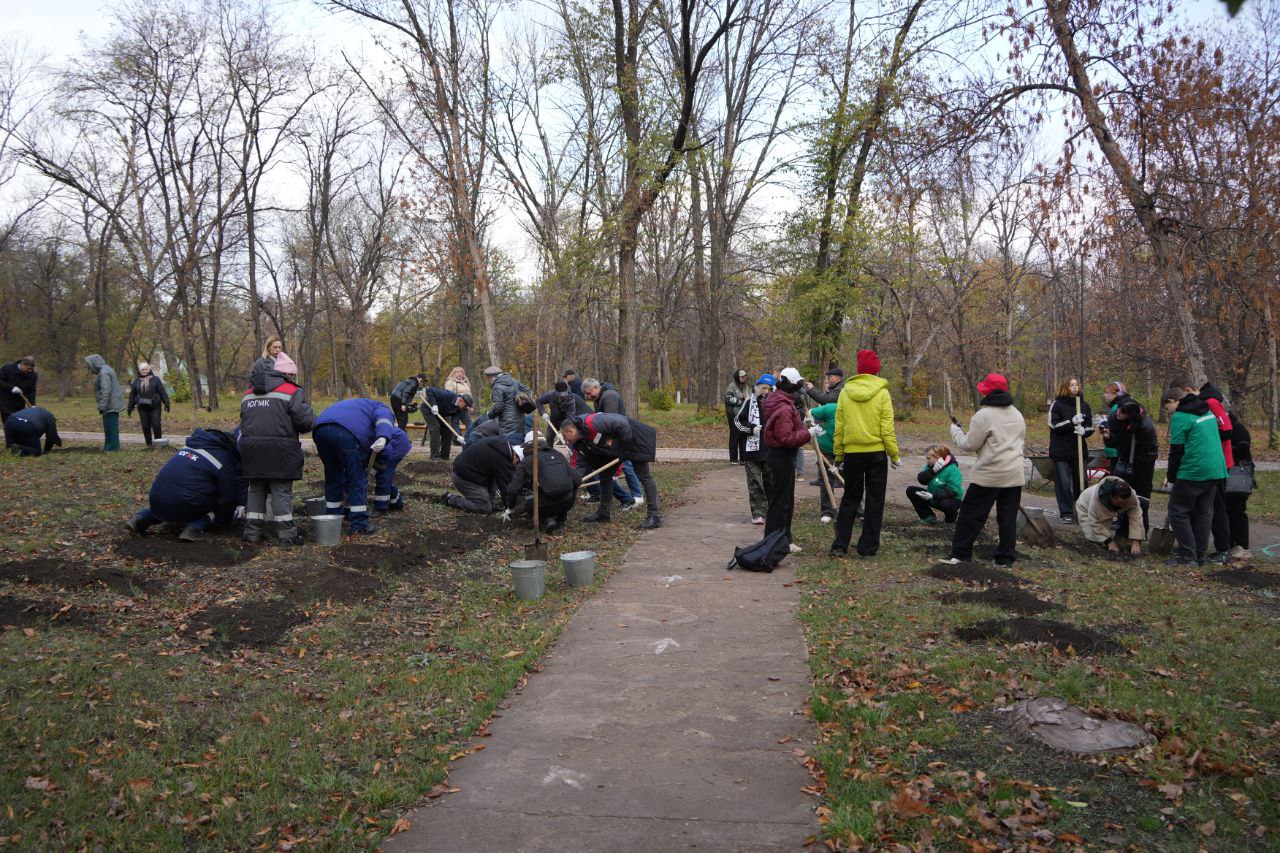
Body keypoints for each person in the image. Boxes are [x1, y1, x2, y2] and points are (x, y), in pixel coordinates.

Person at [939, 373, 1026, 566]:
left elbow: (969, 445)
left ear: (987, 392)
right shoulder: (1016, 413)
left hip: (989, 474)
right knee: (1007, 519)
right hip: (1014, 474)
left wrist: (956, 432)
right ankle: (1005, 559)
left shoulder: (982, 416)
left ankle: (960, 554)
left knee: (970, 515)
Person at [827, 350, 900, 558]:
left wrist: (839, 455)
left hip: (852, 453)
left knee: (850, 497)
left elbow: (840, 426)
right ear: (876, 370)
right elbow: (887, 428)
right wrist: (894, 455)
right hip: (876, 453)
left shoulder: (845, 392)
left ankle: (840, 545)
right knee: (875, 500)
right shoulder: (882, 393)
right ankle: (868, 547)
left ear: (859, 370)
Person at [239, 352, 315, 545]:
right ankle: (287, 536)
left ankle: (252, 534)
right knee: (281, 492)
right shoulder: (291, 391)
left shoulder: (247, 394)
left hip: (251, 449)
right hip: (281, 450)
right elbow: (305, 422)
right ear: (286, 374)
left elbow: (244, 421)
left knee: (255, 490)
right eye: (293, 375)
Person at [125, 428, 245, 541]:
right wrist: (222, 522)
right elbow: (227, 497)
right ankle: (194, 528)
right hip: (186, 504)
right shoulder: (225, 460)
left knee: (159, 511)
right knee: (210, 501)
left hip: (156, 498)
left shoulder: (191, 446)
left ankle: (141, 518)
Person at [312, 397, 404, 535]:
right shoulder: (380, 406)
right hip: (346, 433)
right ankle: (359, 525)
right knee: (356, 479)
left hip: (320, 431)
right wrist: (383, 436)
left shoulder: (350, 405)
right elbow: (384, 418)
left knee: (333, 477)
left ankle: (333, 519)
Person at [1162, 385, 1227, 567]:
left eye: (1167, 408)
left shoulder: (1180, 416)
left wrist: (1171, 476)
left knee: (1178, 512)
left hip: (1194, 470)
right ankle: (1199, 553)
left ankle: (1187, 555)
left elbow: (1176, 450)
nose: (1168, 412)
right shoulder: (1205, 409)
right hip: (1215, 469)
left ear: (1173, 401)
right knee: (1203, 512)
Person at [561, 411, 661, 529]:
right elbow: (580, 468)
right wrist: (572, 481)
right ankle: (603, 513)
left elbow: (622, 424)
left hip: (633, 440)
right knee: (605, 476)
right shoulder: (580, 443)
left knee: (644, 476)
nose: (565, 441)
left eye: (564, 436)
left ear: (570, 431)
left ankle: (654, 516)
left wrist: (626, 449)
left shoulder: (593, 422)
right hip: (614, 450)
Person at [761, 367, 822, 549]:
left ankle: (784, 540)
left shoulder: (781, 401)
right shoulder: (784, 407)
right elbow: (786, 438)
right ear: (793, 385)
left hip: (780, 456)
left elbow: (785, 428)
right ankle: (775, 542)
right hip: (781, 456)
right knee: (781, 502)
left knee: (785, 500)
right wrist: (808, 433)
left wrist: (802, 425)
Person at [581, 377, 644, 506]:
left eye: (589, 393)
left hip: (620, 435)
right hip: (614, 435)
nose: (588, 397)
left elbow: (611, 420)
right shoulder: (600, 397)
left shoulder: (609, 395)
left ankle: (637, 495)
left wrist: (608, 441)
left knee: (626, 464)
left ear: (595, 387)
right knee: (615, 466)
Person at [504, 431, 581, 533]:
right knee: (563, 490)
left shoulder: (527, 461)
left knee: (528, 504)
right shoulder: (558, 454)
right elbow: (577, 480)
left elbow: (514, 488)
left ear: (527, 445)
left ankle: (546, 520)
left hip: (545, 505)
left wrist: (510, 506)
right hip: (568, 502)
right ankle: (561, 521)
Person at [1100, 399, 1158, 530]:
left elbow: (1126, 443)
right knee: (1122, 492)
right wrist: (1109, 437)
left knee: (1140, 497)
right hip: (1127, 460)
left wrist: (1131, 468)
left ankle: (1140, 528)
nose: (1117, 413)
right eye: (1118, 410)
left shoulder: (1144, 427)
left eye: (1121, 412)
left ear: (1130, 415)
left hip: (1143, 463)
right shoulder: (1122, 420)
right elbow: (1119, 442)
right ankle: (1123, 524)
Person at [1198, 381, 1238, 563]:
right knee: (1211, 505)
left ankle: (1223, 548)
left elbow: (1227, 431)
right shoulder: (1208, 402)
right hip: (1214, 460)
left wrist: (1207, 435)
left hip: (1219, 461)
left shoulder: (1212, 403)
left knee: (1217, 506)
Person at [1047, 377, 1094, 524]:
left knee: (1082, 481)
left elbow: (1090, 425)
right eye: (1071, 385)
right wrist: (1071, 422)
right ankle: (1066, 512)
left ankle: (1080, 510)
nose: (1074, 387)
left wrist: (1084, 431)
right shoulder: (1057, 404)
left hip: (1078, 450)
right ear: (1065, 388)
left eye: (1076, 385)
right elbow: (1053, 424)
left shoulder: (1084, 405)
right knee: (1064, 483)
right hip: (1061, 450)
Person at [442, 435, 521, 513]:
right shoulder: (502, 460)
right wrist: (510, 507)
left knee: (489, 499)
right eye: (518, 462)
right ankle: (450, 499)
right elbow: (505, 485)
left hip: (473, 472)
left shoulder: (501, 446)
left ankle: (485, 500)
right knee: (484, 507)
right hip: (464, 477)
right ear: (516, 456)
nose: (516, 465)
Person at [734, 373, 774, 524]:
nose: (766, 392)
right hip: (752, 451)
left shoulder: (775, 403)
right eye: (764, 388)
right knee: (755, 482)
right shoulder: (749, 401)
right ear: (758, 387)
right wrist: (751, 429)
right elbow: (738, 421)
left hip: (770, 450)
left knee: (771, 482)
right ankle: (758, 513)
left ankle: (771, 511)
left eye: (769, 389)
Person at [1074, 476, 1144, 557]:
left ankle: (1122, 538)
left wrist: (1136, 541)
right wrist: (1109, 542)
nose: (1123, 506)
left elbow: (1136, 516)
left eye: (1125, 503)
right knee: (1094, 538)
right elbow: (1095, 522)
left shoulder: (1131, 496)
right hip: (1084, 506)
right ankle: (1098, 542)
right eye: (1120, 503)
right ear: (1111, 496)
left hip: (1108, 506)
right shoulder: (1097, 501)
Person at [907, 444, 963, 524]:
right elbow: (921, 480)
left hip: (950, 500)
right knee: (911, 490)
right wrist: (932, 471)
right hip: (933, 496)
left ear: (938, 457)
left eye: (928, 458)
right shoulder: (931, 466)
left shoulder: (953, 470)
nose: (927, 461)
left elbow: (953, 491)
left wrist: (932, 496)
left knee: (945, 504)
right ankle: (928, 517)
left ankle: (951, 519)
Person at [85, 354, 125, 452]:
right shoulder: (106, 369)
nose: (89, 368)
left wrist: (102, 405)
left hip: (110, 405)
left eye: (90, 365)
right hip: (111, 404)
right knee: (109, 428)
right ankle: (109, 447)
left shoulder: (104, 373)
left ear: (95, 364)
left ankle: (112, 449)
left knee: (111, 428)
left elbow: (105, 390)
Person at [421, 386, 473, 459]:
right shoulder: (448, 395)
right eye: (466, 405)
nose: (466, 408)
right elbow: (429, 390)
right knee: (435, 428)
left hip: (439, 413)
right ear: (461, 400)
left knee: (448, 431)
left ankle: (444, 455)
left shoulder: (459, 409)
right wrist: (434, 405)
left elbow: (454, 424)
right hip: (428, 408)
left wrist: (458, 436)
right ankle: (434, 456)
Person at [127, 361, 171, 447]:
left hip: (155, 406)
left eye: (146, 369)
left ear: (149, 369)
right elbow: (132, 395)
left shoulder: (155, 379)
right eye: (143, 370)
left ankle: (158, 444)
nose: (145, 371)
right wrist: (130, 407)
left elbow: (162, 392)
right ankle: (149, 445)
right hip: (142, 407)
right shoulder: (136, 381)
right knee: (145, 426)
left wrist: (166, 402)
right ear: (140, 371)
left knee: (156, 425)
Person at [808, 399, 838, 523]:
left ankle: (857, 510)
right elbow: (810, 413)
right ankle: (827, 512)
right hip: (827, 451)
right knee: (826, 481)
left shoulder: (855, 410)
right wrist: (814, 425)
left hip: (849, 450)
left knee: (854, 481)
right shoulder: (831, 408)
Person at [484, 365, 531, 436]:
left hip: (507, 422)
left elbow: (498, 408)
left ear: (492, 377)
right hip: (520, 419)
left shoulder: (497, 387)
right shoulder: (514, 381)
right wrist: (520, 400)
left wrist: (490, 414)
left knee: (507, 441)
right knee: (518, 440)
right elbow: (528, 391)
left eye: (488, 379)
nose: (488, 381)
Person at [0, 356, 37, 425]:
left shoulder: (33, 375)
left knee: (19, 423)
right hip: (5, 401)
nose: (29, 371)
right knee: (9, 423)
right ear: (22, 364)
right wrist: (11, 387)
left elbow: (31, 391)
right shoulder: (8, 369)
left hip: (19, 404)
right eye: (28, 368)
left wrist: (32, 404)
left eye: (31, 369)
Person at [724, 369, 750, 463]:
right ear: (737, 377)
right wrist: (742, 400)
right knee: (734, 435)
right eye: (741, 376)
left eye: (744, 376)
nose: (744, 378)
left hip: (743, 415)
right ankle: (733, 459)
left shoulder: (747, 387)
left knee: (743, 435)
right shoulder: (731, 386)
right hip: (733, 414)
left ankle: (743, 459)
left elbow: (750, 398)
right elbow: (729, 400)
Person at [444, 366, 474, 435]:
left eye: (461, 372)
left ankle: (470, 437)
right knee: (455, 424)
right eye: (458, 372)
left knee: (469, 423)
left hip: (464, 407)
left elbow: (469, 395)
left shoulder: (466, 383)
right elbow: (448, 395)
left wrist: (471, 406)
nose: (460, 373)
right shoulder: (450, 382)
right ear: (454, 374)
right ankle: (457, 438)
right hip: (454, 407)